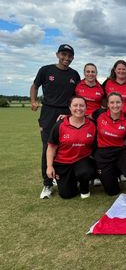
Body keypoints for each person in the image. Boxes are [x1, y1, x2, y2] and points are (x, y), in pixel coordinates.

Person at [30, 44, 81, 199]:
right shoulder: (46, 70)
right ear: (57, 54)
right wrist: (33, 101)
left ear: (72, 58)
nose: (66, 58)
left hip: (67, 113)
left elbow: (78, 94)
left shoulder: (74, 74)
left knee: (67, 146)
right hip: (49, 113)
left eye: (69, 56)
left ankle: (65, 177)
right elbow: (35, 86)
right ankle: (47, 184)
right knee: (48, 147)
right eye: (63, 55)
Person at [46, 96, 96, 199]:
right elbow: (51, 147)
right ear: (69, 107)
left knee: (85, 171)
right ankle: (71, 180)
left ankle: (84, 187)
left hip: (82, 160)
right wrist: (49, 166)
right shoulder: (60, 125)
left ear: (86, 108)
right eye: (75, 105)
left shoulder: (92, 125)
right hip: (63, 163)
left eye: (82, 105)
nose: (78, 108)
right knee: (66, 194)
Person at [92, 92, 126, 196]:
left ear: (122, 104)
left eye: (118, 102)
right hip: (103, 153)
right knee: (112, 192)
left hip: (120, 151)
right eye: (112, 102)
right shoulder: (99, 114)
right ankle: (114, 174)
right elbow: (84, 118)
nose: (115, 105)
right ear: (107, 104)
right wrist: (68, 116)